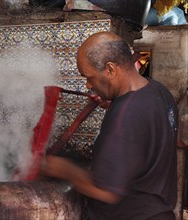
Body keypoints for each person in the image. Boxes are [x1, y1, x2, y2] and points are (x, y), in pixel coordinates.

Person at [41, 32, 178, 219]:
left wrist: (64, 169)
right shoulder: (159, 91)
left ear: (111, 69)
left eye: (89, 77)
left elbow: (105, 190)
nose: (88, 85)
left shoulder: (126, 115)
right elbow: (145, 134)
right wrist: (115, 104)